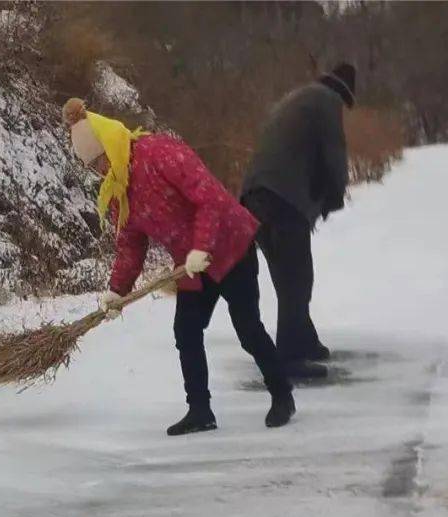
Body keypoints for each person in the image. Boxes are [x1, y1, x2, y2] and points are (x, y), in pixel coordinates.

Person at [63, 98, 294, 436]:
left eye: (99, 160)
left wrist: (202, 246)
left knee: (247, 328)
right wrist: (117, 290)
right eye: (91, 166)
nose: (98, 170)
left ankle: (282, 394)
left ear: (109, 144)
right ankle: (200, 410)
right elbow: (130, 243)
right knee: (186, 331)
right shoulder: (118, 190)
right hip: (190, 264)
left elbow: (208, 196)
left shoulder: (160, 153)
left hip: (230, 246)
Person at [241, 63, 355, 378]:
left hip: (254, 196)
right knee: (297, 278)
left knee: (289, 275)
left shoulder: (298, 98)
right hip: (281, 199)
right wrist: (335, 195)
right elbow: (334, 152)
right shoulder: (326, 102)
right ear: (343, 92)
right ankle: (290, 357)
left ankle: (303, 339)